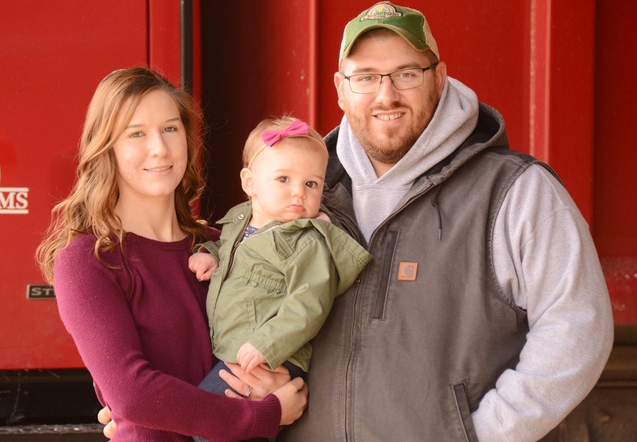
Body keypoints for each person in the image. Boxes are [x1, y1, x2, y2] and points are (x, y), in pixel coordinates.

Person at [275, 2, 615, 441]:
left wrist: (481, 435)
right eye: (365, 77)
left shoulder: (515, 192)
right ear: (341, 88)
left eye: (406, 73)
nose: (386, 94)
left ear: (439, 78)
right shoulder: (306, 193)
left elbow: (577, 327)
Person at [35, 67, 307, 441]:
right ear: (106, 148)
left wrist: (277, 379)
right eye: (136, 134)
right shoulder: (88, 260)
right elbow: (133, 394)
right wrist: (263, 414)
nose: (160, 148)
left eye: (170, 128)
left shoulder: (222, 244)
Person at [189, 116, 371, 405]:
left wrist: (266, 345)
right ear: (250, 183)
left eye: (311, 183)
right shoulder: (240, 221)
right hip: (232, 348)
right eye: (283, 179)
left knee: (204, 421)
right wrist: (210, 255)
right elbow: (230, 249)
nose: (299, 191)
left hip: (272, 357)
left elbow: (309, 304)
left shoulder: (307, 242)